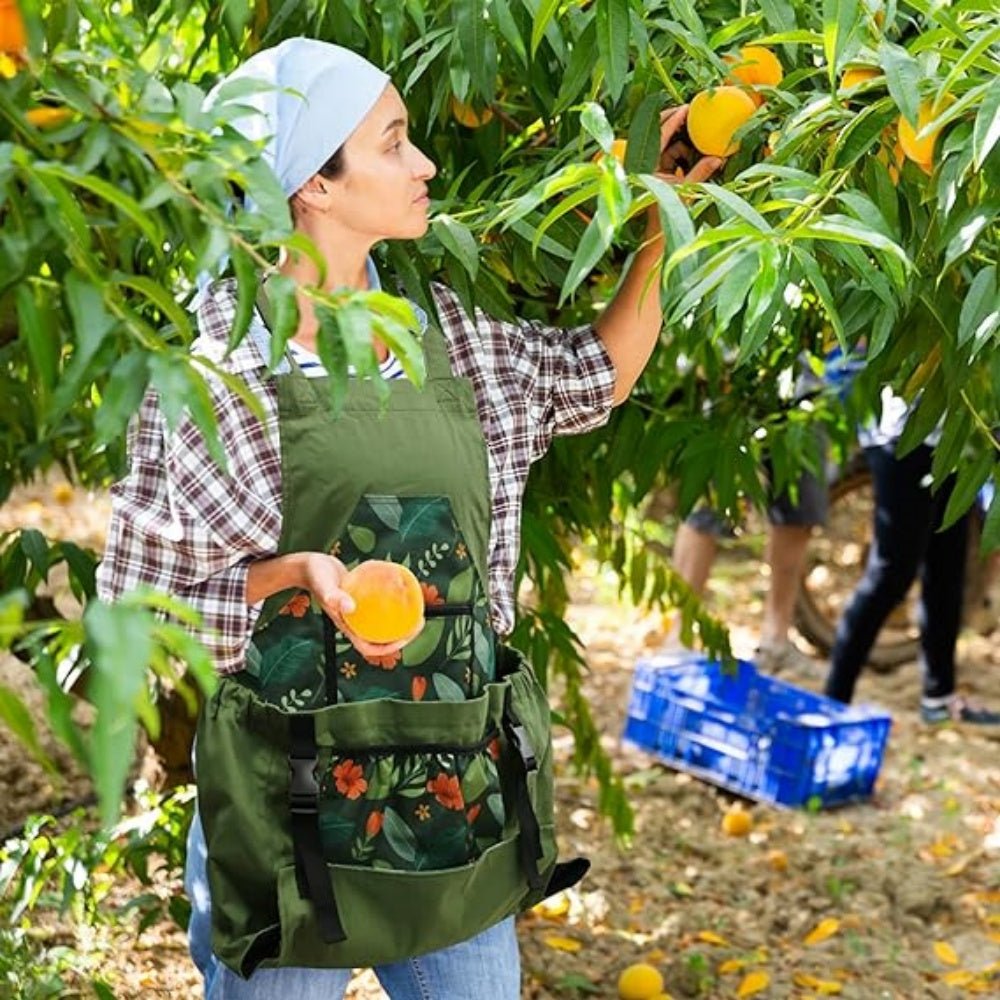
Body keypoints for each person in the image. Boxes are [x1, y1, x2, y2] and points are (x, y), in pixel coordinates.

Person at [95, 37, 722, 1000]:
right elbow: (141, 599)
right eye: (394, 144)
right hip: (289, 816)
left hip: (449, 803)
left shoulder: (445, 337)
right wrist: (294, 575)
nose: (425, 163)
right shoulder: (217, 373)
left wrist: (659, 221)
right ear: (315, 187)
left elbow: (599, 371)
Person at [823, 387, 1000, 727]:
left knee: (948, 568)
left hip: (957, 442)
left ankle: (939, 695)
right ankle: (832, 700)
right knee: (892, 573)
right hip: (905, 435)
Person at [666, 461, 826, 674]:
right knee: (709, 506)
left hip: (803, 428)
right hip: (732, 431)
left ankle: (777, 642)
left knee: (799, 510)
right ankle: (678, 636)